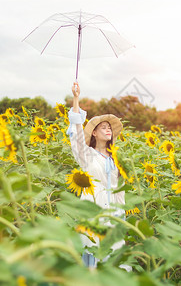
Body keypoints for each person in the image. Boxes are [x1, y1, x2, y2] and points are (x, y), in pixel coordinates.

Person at [66, 82, 128, 269]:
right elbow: (76, 135)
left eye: (109, 127)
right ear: (94, 132)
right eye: (103, 127)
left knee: (115, 259)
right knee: (95, 253)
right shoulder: (88, 155)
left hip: (114, 213)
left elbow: (119, 189)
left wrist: (122, 213)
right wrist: (76, 98)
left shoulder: (115, 158)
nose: (108, 129)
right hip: (94, 210)